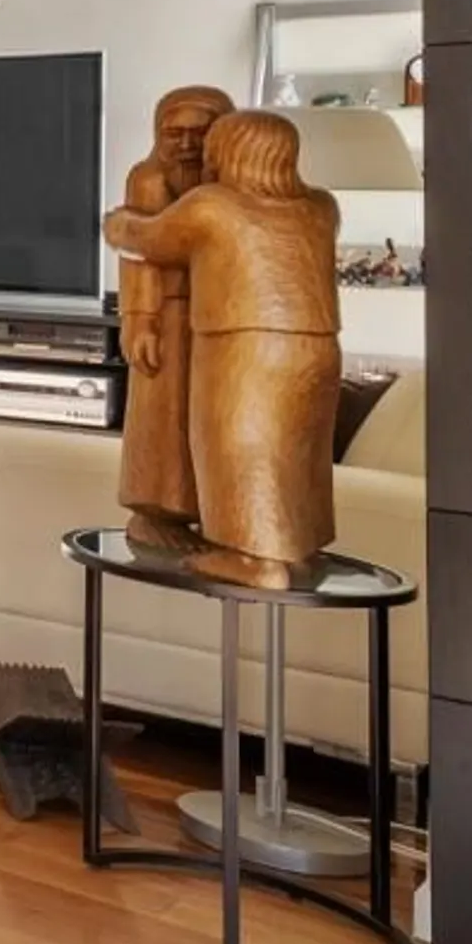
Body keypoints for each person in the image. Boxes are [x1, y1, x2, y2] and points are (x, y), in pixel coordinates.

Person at [103, 108, 341, 588]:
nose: (204, 158)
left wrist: (116, 222)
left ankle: (253, 559)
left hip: (244, 344)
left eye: (212, 147)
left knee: (237, 442)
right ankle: (294, 546)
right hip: (317, 345)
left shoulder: (212, 205)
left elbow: (149, 238)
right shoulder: (322, 207)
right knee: (300, 445)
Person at [111, 85, 232, 551]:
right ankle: (155, 513)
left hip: (224, 318)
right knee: (163, 417)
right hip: (169, 315)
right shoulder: (148, 179)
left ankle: (220, 512)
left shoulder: (231, 184)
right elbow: (137, 254)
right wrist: (139, 317)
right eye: (173, 133)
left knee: (216, 416)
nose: (186, 144)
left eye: (199, 133)